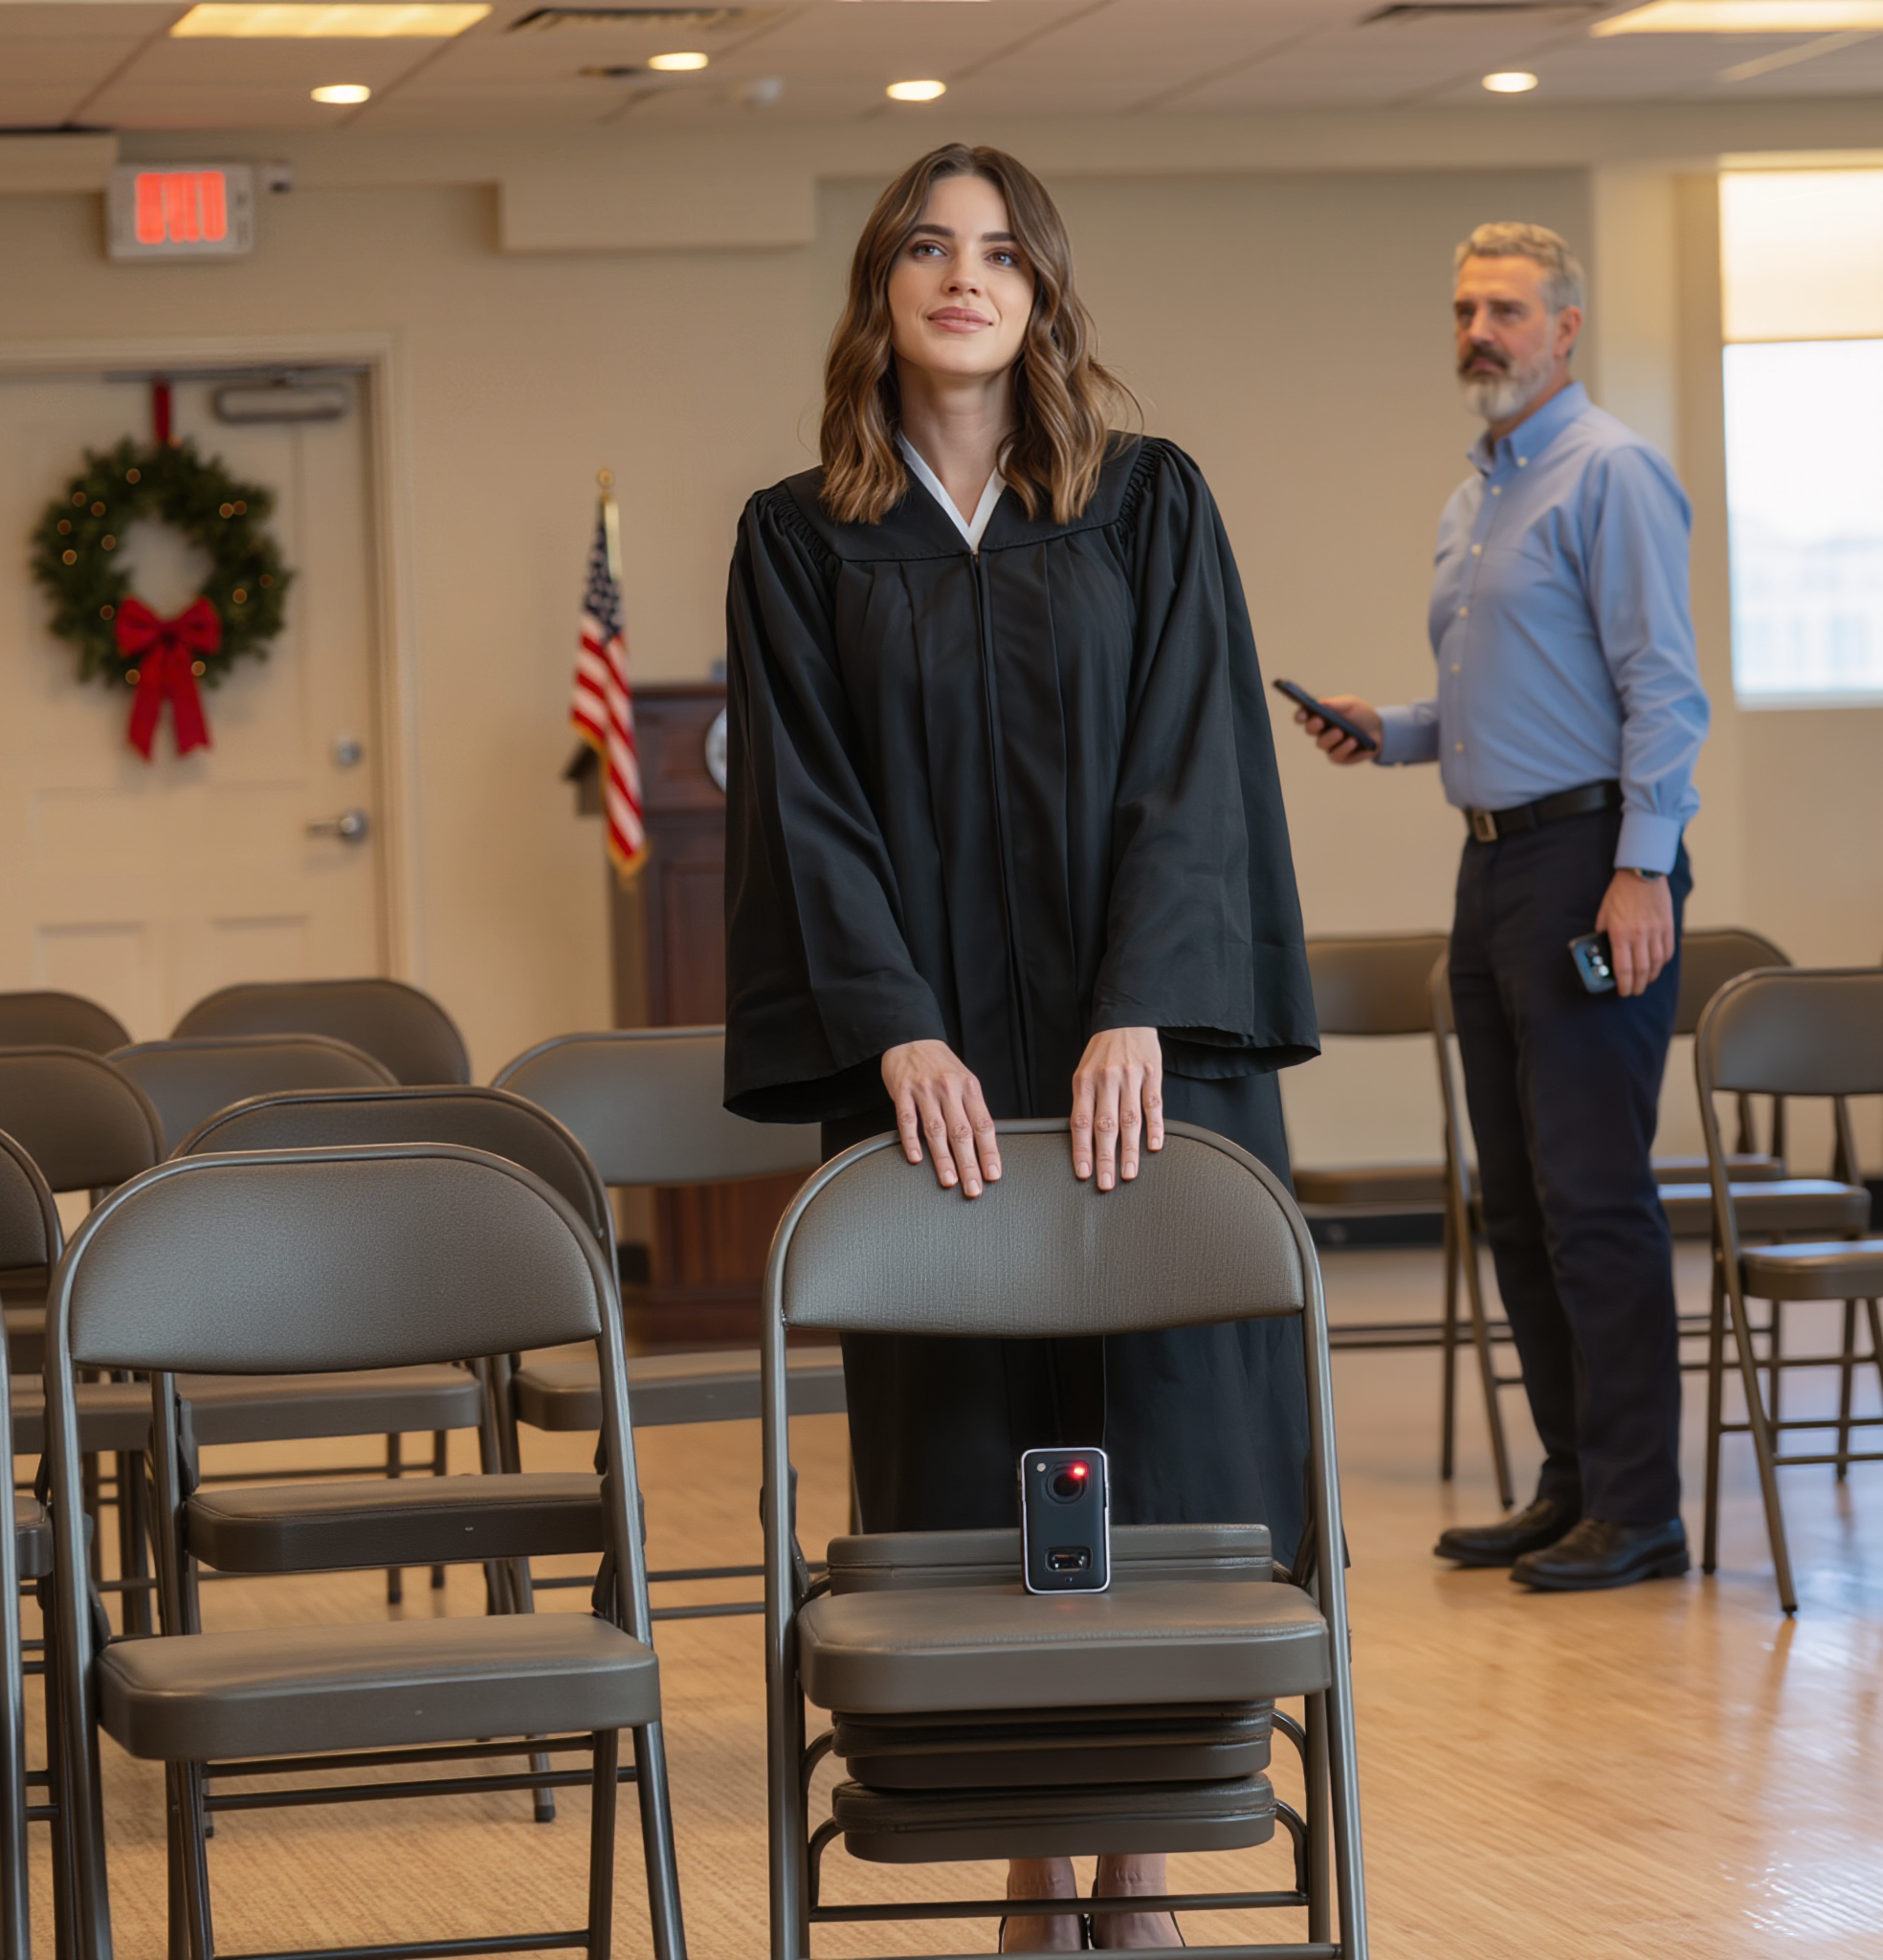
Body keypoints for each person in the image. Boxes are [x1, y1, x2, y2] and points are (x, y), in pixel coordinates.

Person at [723, 143, 1319, 1949]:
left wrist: (1141, 999)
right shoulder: (799, 539)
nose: (963, 276)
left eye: (998, 251)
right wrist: (895, 1032)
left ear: (1042, 291)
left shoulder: (1147, 503)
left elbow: (1195, 765)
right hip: (937, 1088)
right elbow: (807, 811)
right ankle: (1026, 1860)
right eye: (927, 246)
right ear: (882, 290)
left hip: (1146, 1058)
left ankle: (1146, 1864)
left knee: (1178, 1445)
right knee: (963, 1454)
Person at [1293, 221, 1710, 1594]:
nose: (1480, 331)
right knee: (1519, 1200)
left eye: (1509, 310)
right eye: (1467, 308)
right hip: (1491, 869)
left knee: (1594, 1194)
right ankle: (1572, 1484)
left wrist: (1643, 867)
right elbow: (1513, 703)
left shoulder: (1612, 473)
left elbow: (1663, 690)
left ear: (1566, 328)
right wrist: (1395, 730)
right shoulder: (1476, 497)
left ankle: (1640, 1509)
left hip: (1594, 863)